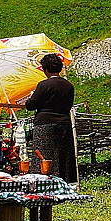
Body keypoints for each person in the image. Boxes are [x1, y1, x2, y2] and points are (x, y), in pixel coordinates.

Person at [25, 53, 77, 183]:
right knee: (62, 155)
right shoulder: (69, 86)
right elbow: (68, 105)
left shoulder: (44, 85)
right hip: (64, 123)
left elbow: (31, 105)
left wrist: (31, 97)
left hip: (45, 124)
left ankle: (43, 182)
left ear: (45, 69)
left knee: (43, 154)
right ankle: (64, 181)